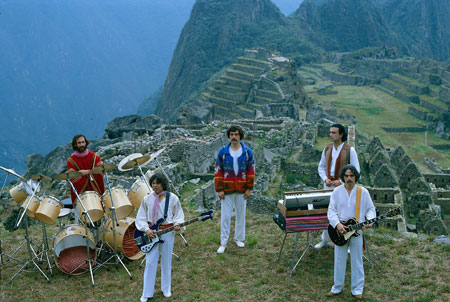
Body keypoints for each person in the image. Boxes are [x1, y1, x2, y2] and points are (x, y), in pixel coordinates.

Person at [326, 165, 376, 300]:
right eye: (346, 176)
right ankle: (337, 287)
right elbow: (331, 211)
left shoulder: (363, 192)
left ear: (356, 177)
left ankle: (357, 289)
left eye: (351, 176)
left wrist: (370, 219)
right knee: (339, 259)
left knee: (357, 260)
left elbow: (371, 209)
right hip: (340, 231)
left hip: (357, 231)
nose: (349, 178)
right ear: (343, 177)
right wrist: (337, 224)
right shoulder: (336, 192)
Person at [136, 173, 184, 301]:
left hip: (167, 233)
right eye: (153, 183)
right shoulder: (146, 199)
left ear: (163, 184)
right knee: (150, 262)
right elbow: (140, 217)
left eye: (158, 183)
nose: (155, 185)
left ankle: (166, 289)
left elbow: (178, 214)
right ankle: (146, 293)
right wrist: (146, 230)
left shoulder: (172, 198)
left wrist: (178, 224)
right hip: (152, 234)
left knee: (166, 261)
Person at [315, 123, 360, 249]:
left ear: (341, 134)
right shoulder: (327, 149)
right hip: (328, 186)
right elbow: (321, 167)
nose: (331, 135)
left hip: (344, 188)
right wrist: (325, 179)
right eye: (330, 132)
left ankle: (348, 242)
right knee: (328, 212)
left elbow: (356, 170)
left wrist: (341, 181)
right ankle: (325, 239)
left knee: (344, 215)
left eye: (334, 133)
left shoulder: (349, 150)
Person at [214, 125, 255, 254]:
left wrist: (249, 188)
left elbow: (251, 171)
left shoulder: (247, 152)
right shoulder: (223, 152)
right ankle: (223, 242)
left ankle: (239, 238)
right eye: (231, 135)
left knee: (240, 214)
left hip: (242, 189)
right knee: (225, 216)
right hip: (227, 189)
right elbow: (218, 171)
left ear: (240, 136)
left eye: (236, 134)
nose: (234, 137)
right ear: (229, 136)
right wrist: (219, 189)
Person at [67, 134, 105, 207]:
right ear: (75, 145)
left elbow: (100, 172)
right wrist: (91, 172)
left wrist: (86, 172)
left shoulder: (94, 157)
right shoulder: (71, 161)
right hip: (81, 195)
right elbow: (73, 179)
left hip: (95, 192)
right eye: (79, 143)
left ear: (86, 143)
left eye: (83, 142)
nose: (82, 145)